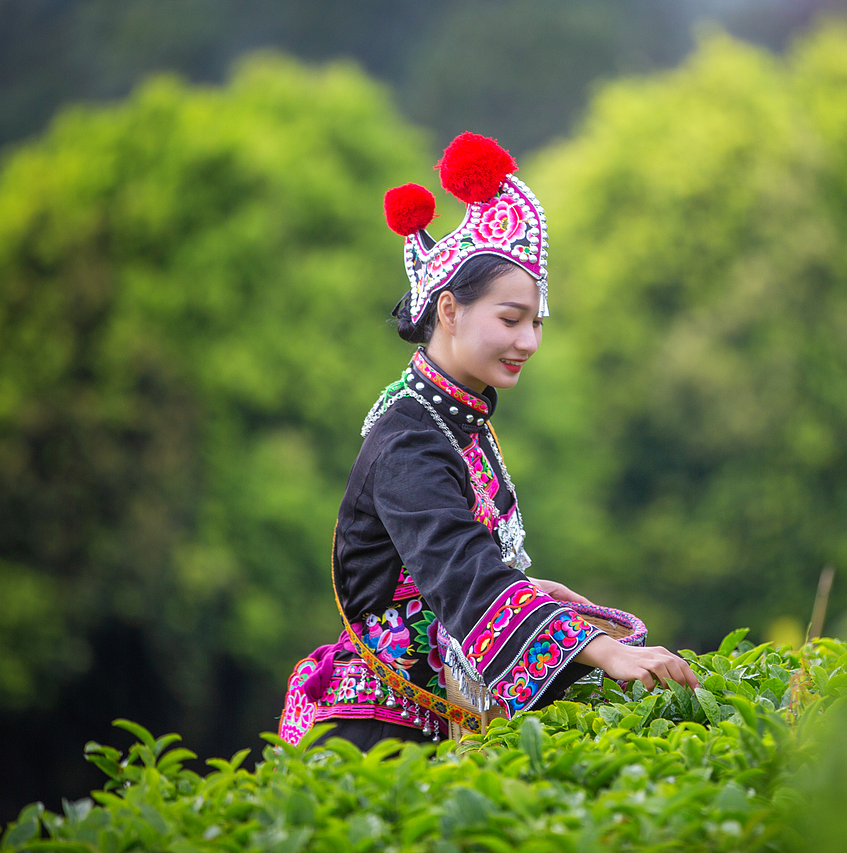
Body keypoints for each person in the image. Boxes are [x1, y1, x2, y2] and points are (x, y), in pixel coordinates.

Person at [277, 133, 697, 750]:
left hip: (438, 720)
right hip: (373, 735)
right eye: (510, 319)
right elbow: (459, 569)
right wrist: (597, 648)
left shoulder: (459, 420)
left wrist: (536, 596)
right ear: (448, 311)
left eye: (537, 323)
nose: (528, 341)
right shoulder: (409, 440)